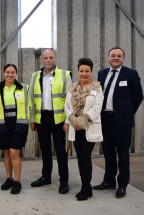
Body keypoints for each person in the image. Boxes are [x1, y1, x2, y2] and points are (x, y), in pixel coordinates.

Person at [93, 47, 143, 198]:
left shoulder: (131, 74)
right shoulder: (102, 73)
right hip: (104, 119)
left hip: (122, 122)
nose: (116, 58)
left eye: (119, 56)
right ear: (108, 58)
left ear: (123, 59)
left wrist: (126, 112)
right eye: (113, 55)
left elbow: (138, 96)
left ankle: (122, 184)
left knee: (123, 154)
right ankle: (109, 180)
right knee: (108, 152)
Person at [29, 49, 72, 194]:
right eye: (46, 58)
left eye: (51, 57)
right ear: (42, 60)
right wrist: (33, 119)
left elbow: (69, 100)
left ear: (55, 59)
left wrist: (67, 121)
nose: (48, 60)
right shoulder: (35, 76)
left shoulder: (65, 75)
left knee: (60, 150)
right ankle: (46, 177)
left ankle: (64, 181)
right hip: (42, 118)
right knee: (45, 149)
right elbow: (31, 99)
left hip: (58, 119)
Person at [64, 58, 104, 201]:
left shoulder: (97, 88)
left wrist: (82, 120)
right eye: (82, 71)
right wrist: (72, 119)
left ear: (91, 72)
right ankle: (85, 187)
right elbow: (67, 105)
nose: (84, 73)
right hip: (76, 128)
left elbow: (98, 107)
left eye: (87, 71)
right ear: (78, 72)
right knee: (80, 158)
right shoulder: (73, 87)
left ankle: (86, 188)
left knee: (85, 157)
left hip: (89, 127)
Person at [0, 64, 31, 194]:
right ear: (3, 73)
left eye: (12, 72)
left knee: (14, 153)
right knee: (7, 153)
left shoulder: (24, 88)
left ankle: (17, 181)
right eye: (7, 72)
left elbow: (30, 106)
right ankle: (9, 178)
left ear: (16, 74)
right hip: (2, 125)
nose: (10, 74)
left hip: (18, 125)